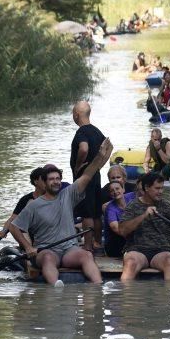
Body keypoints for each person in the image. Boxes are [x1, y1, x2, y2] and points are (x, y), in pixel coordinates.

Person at [10, 138, 114, 285]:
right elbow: (13, 227)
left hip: (69, 249)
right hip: (46, 250)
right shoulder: (34, 205)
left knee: (86, 255)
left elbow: (87, 175)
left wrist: (99, 155)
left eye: (58, 178)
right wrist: (28, 247)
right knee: (47, 259)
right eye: (51, 179)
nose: (56, 181)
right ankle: (55, 287)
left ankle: (99, 285)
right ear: (44, 183)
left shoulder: (68, 194)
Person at [70, 100, 106, 253]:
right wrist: (98, 165)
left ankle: (88, 246)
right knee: (96, 211)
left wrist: (78, 166)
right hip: (96, 176)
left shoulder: (82, 132)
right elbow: (108, 147)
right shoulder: (97, 132)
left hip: (84, 178)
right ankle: (98, 242)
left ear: (77, 115)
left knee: (86, 212)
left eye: (73, 113)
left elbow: (83, 149)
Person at [0, 167, 46, 239]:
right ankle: (28, 247)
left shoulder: (53, 197)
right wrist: (4, 231)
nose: (47, 181)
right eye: (44, 179)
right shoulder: (25, 199)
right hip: (30, 233)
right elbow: (13, 218)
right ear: (36, 181)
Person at [102, 181, 136, 258]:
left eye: (117, 188)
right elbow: (116, 229)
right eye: (112, 190)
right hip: (116, 242)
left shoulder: (132, 196)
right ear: (110, 194)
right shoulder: (110, 208)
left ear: (123, 189)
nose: (115, 192)